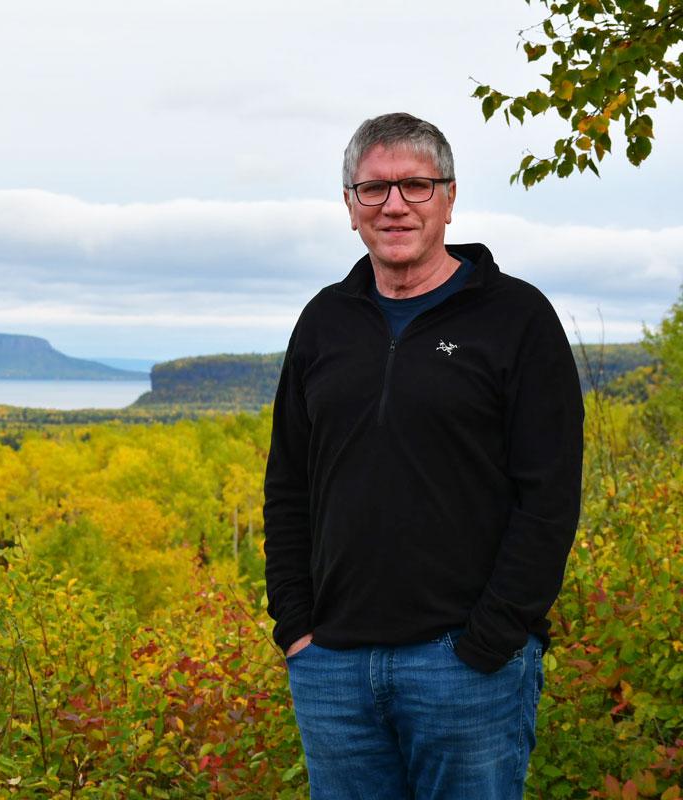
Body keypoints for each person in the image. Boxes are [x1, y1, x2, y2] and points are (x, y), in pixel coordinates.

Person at [262, 112, 584, 799]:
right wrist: (296, 629)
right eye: (373, 189)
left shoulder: (516, 319)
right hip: (334, 668)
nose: (395, 205)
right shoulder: (325, 321)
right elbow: (289, 483)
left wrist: (491, 641)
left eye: (415, 185)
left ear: (449, 196)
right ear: (350, 207)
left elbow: (549, 497)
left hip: (465, 667)